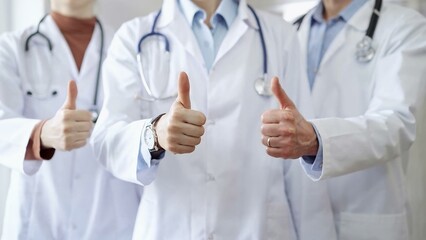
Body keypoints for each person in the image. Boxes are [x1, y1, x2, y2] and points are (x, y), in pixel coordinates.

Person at [91, 0, 337, 239]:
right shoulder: (133, 36)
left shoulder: (280, 36)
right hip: (169, 228)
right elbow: (107, 142)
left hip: (260, 228)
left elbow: (300, 164)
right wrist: (155, 134)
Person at [261, 0, 426, 239]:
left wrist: (315, 140)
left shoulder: (404, 26)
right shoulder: (292, 30)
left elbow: (397, 123)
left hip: (364, 216)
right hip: (298, 218)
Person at [0, 0, 142, 239]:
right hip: (37, 220)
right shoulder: (11, 48)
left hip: (110, 221)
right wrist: (42, 134)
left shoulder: (128, 48)